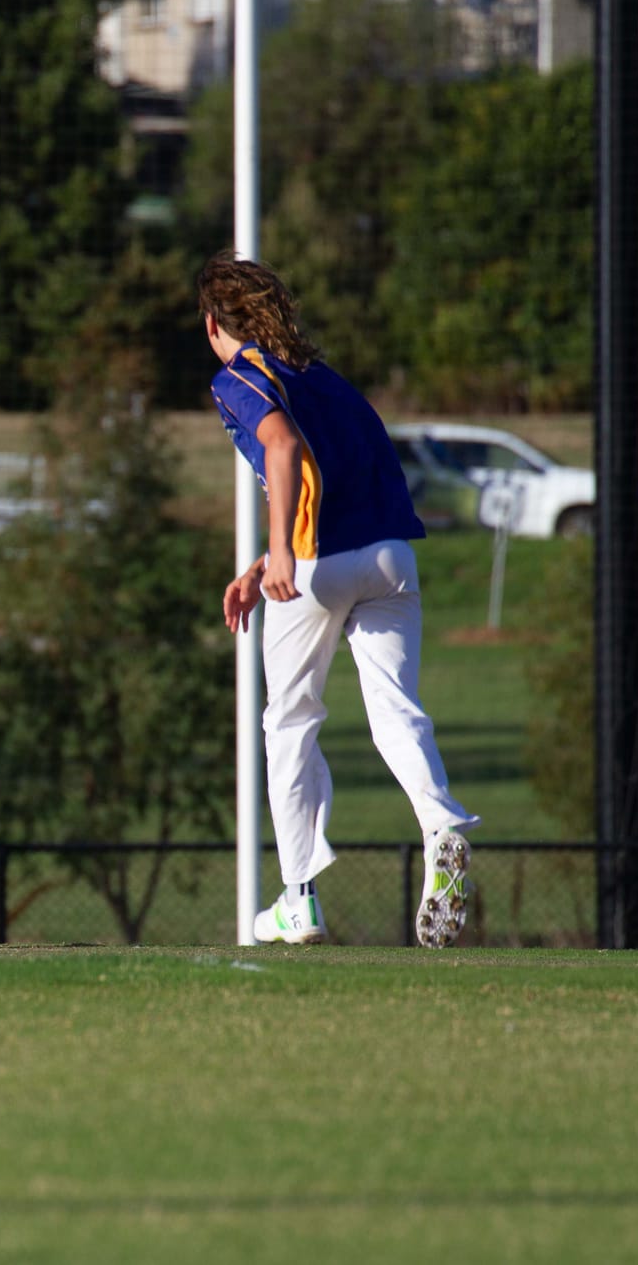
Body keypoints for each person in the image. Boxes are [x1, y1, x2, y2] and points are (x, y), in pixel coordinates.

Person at [197, 252, 478, 948]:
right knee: (395, 712)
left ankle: (299, 899)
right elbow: (337, 479)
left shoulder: (238, 378)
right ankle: (442, 823)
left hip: (318, 566)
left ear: (212, 324)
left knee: (290, 723)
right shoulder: (324, 380)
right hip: (390, 560)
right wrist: (266, 556)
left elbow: (282, 446)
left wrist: (284, 556)